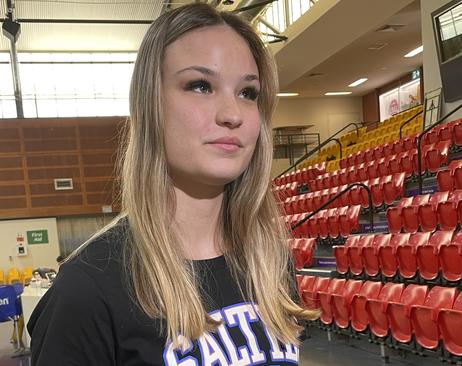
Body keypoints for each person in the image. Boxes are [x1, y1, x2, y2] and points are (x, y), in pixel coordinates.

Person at [27, 4, 318, 365]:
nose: (232, 114)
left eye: (248, 93)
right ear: (151, 105)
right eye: (200, 86)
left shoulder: (269, 261)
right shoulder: (87, 289)